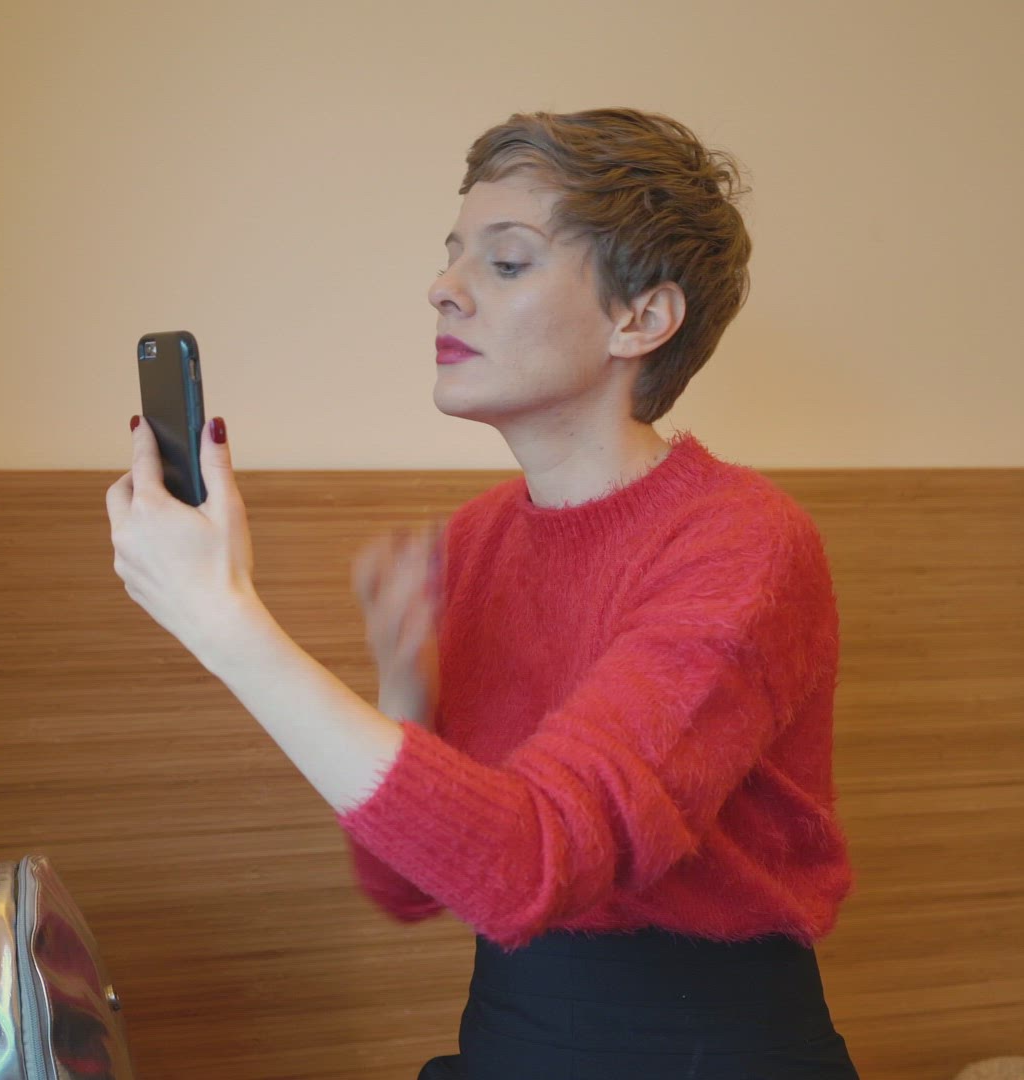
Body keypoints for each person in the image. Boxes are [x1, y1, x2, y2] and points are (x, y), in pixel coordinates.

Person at [105, 107, 858, 1080]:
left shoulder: (744, 545)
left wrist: (228, 624)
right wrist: (406, 696)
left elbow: (528, 862)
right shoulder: (480, 539)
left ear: (643, 318)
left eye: (504, 264)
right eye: (452, 256)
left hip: (705, 1052)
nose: (442, 290)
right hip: (509, 1038)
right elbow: (410, 883)